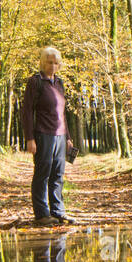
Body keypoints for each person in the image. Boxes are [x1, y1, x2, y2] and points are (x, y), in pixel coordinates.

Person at [22, 46, 78, 225]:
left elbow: (62, 114)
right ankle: (42, 214)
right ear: (42, 62)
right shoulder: (35, 82)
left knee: (57, 175)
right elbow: (27, 112)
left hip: (60, 136)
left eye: (56, 63)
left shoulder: (59, 83)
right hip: (43, 135)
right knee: (42, 174)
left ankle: (58, 211)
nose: (53, 66)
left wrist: (68, 138)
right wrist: (30, 138)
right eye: (49, 62)